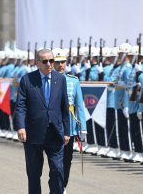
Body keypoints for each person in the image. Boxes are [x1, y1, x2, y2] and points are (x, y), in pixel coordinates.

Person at [13, 49, 70, 194]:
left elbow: (64, 107)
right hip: (33, 133)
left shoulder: (60, 79)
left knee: (57, 170)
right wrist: (20, 127)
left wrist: (67, 131)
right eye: (45, 61)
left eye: (52, 61)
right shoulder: (27, 79)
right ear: (36, 63)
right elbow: (20, 105)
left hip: (55, 133)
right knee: (34, 174)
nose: (49, 64)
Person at [52, 48, 87, 194]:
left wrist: (83, 127)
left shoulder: (73, 81)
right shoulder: (48, 80)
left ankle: (63, 187)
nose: (61, 65)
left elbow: (79, 105)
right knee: (54, 162)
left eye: (63, 62)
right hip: (53, 125)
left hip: (70, 127)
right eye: (58, 62)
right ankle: (56, 187)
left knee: (67, 160)